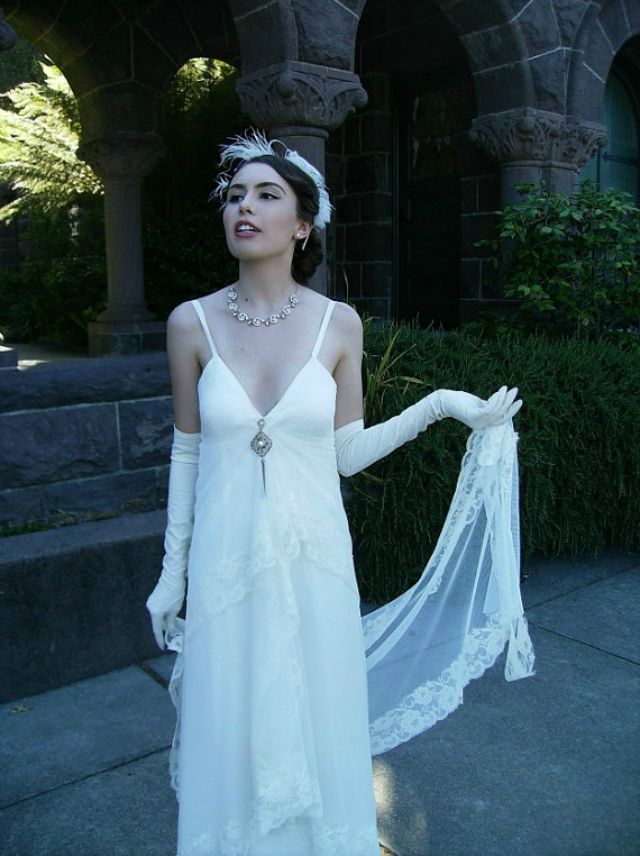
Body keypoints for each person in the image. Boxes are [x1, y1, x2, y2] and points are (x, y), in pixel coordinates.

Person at [145, 130, 534, 856]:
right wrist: (173, 576)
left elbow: (345, 454)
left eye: (266, 195)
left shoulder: (338, 324)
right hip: (226, 567)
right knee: (230, 720)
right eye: (234, 196)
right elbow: (188, 453)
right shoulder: (189, 323)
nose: (244, 208)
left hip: (314, 562)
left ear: (302, 224)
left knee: (316, 712)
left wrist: (441, 405)